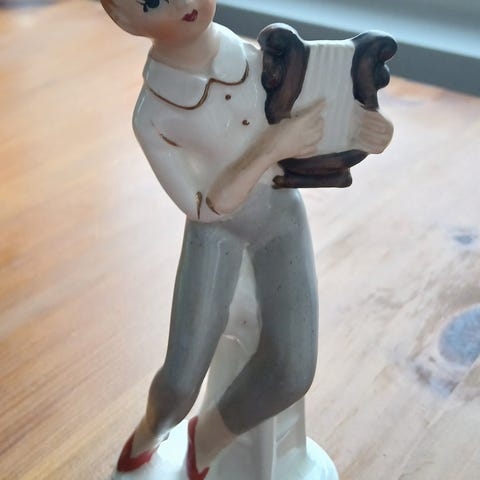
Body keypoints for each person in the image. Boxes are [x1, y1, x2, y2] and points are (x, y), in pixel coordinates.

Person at [99, 1, 393, 478]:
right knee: (180, 381)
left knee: (293, 368)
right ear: (121, 17)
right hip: (215, 235)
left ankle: (206, 443)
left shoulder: (265, 62)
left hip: (280, 219)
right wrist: (273, 146)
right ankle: (152, 431)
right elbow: (201, 207)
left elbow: (314, 134)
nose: (183, 3)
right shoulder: (152, 114)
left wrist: (362, 131)